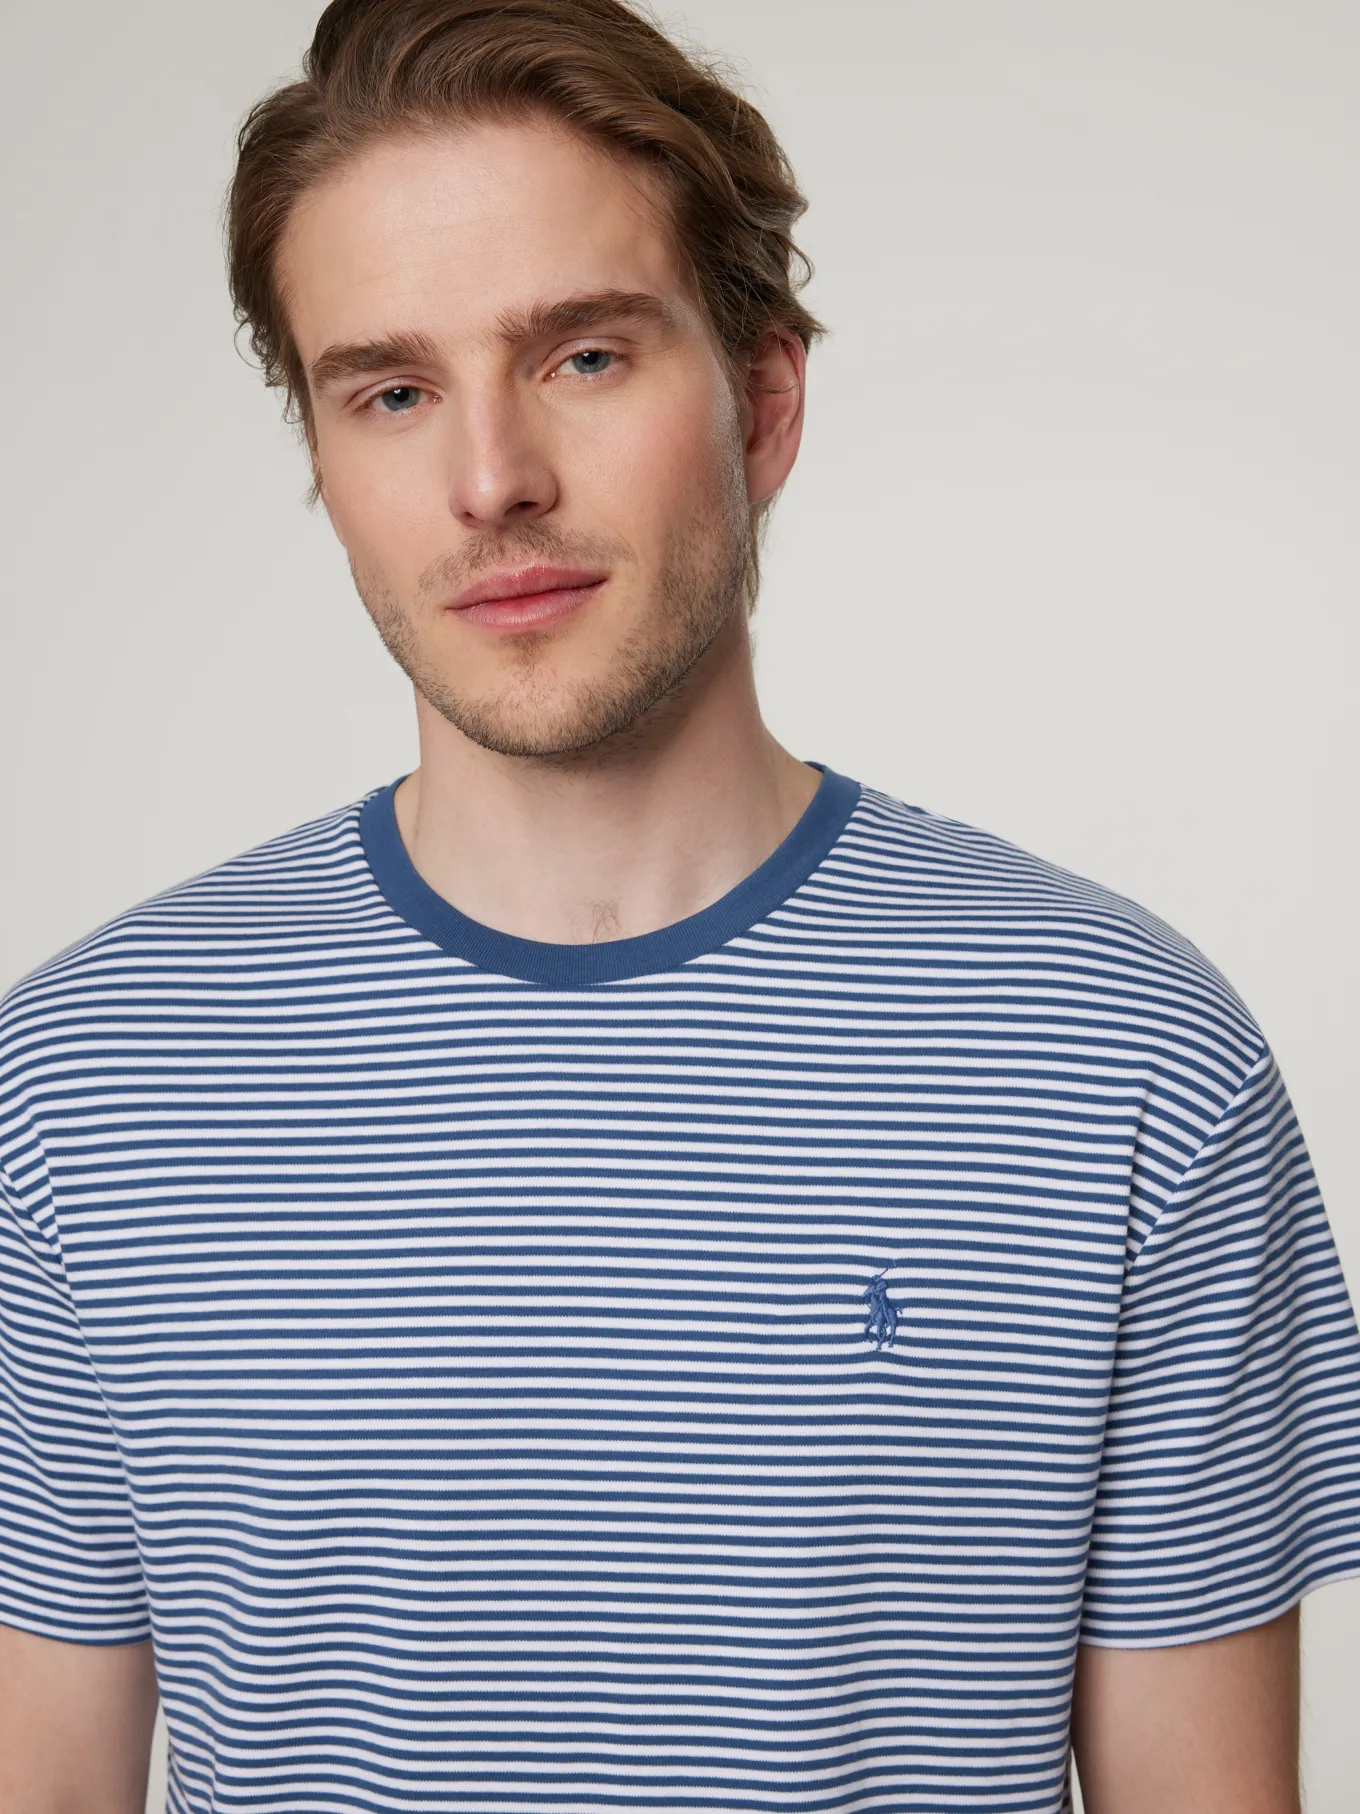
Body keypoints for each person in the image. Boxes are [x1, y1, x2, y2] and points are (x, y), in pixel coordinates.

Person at [2, 2, 1358, 1809]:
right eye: (391, 391)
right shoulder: (88, 1084)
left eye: (581, 355)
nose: (491, 479)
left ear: (764, 403)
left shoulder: (1123, 1058)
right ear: (324, 462)